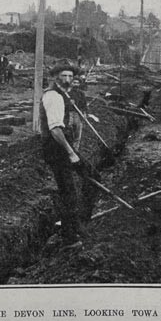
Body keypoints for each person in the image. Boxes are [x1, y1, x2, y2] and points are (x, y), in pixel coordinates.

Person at [39, 63, 94, 248]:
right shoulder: (53, 96)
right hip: (57, 149)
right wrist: (71, 153)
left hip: (63, 147)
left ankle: (79, 224)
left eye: (70, 76)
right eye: (63, 76)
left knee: (89, 176)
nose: (68, 79)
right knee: (68, 190)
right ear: (55, 77)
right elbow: (55, 129)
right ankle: (69, 236)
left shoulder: (66, 95)